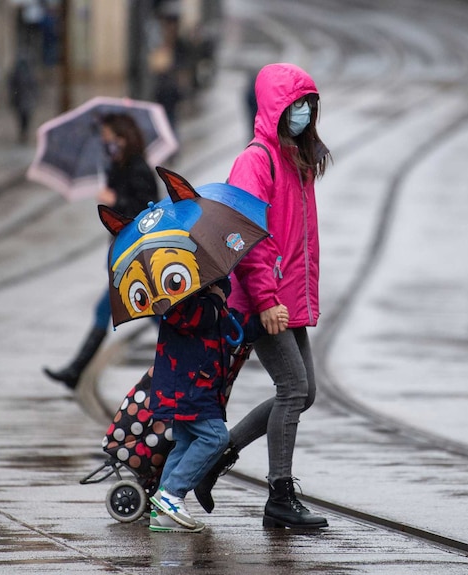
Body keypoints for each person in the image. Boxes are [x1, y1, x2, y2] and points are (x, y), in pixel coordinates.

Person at [193, 62, 332, 529]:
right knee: (292, 389)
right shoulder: (256, 159)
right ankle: (279, 494)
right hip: (263, 299)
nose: (303, 113)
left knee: (305, 391)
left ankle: (215, 458)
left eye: (309, 106)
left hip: (286, 297)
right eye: (296, 106)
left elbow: (298, 239)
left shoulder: (296, 158)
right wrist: (268, 298)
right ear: (276, 107)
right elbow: (247, 235)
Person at [148, 279, 274, 533]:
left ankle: (162, 512)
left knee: (184, 442)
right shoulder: (176, 295)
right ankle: (171, 495)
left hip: (201, 385)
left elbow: (234, 328)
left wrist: (262, 322)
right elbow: (193, 319)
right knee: (216, 438)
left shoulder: (211, 295)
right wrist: (215, 298)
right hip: (188, 386)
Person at [43, 113, 158, 389]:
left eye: (110, 140)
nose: (107, 146)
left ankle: (75, 370)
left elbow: (147, 213)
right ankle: (74, 371)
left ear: (124, 139)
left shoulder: (139, 169)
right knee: (155, 312)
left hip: (139, 256)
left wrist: (115, 199)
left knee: (117, 309)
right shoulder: (116, 168)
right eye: (105, 141)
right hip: (126, 255)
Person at [8, 56, 38, 144]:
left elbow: (34, 87)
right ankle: (23, 133)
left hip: (24, 100)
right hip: (24, 100)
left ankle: (24, 133)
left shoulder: (25, 74)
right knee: (24, 118)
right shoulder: (19, 75)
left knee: (24, 118)